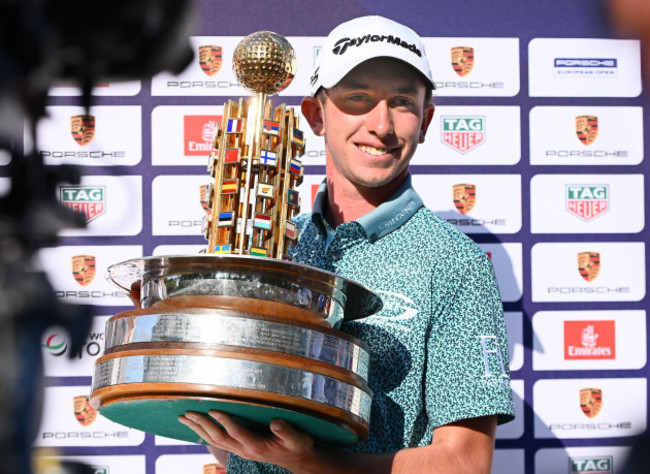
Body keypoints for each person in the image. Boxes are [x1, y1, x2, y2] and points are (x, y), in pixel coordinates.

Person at [177, 15, 515, 473]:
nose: (382, 124)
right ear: (316, 115)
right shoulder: (274, 245)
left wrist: (312, 462)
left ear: (426, 119)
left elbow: (465, 462)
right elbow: (239, 424)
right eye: (358, 98)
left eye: (402, 102)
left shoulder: (455, 264)